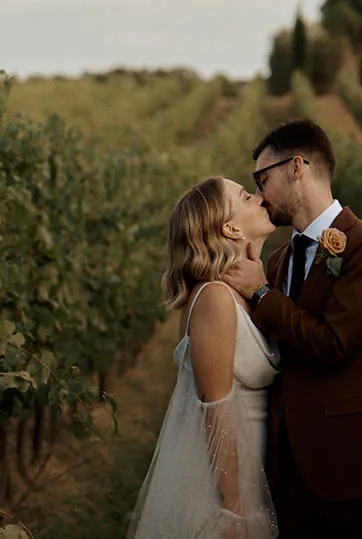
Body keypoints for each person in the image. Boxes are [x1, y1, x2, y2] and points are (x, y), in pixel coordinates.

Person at [220, 119, 362, 539]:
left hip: (356, 467)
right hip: (288, 473)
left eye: (262, 179)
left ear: (296, 167)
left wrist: (261, 295)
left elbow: (333, 344)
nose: (258, 195)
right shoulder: (278, 260)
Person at [128, 176, 281, 539]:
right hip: (219, 486)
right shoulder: (215, 298)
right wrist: (233, 509)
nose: (260, 196)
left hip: (251, 474)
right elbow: (216, 406)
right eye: (246, 195)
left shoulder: (249, 290)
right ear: (229, 227)